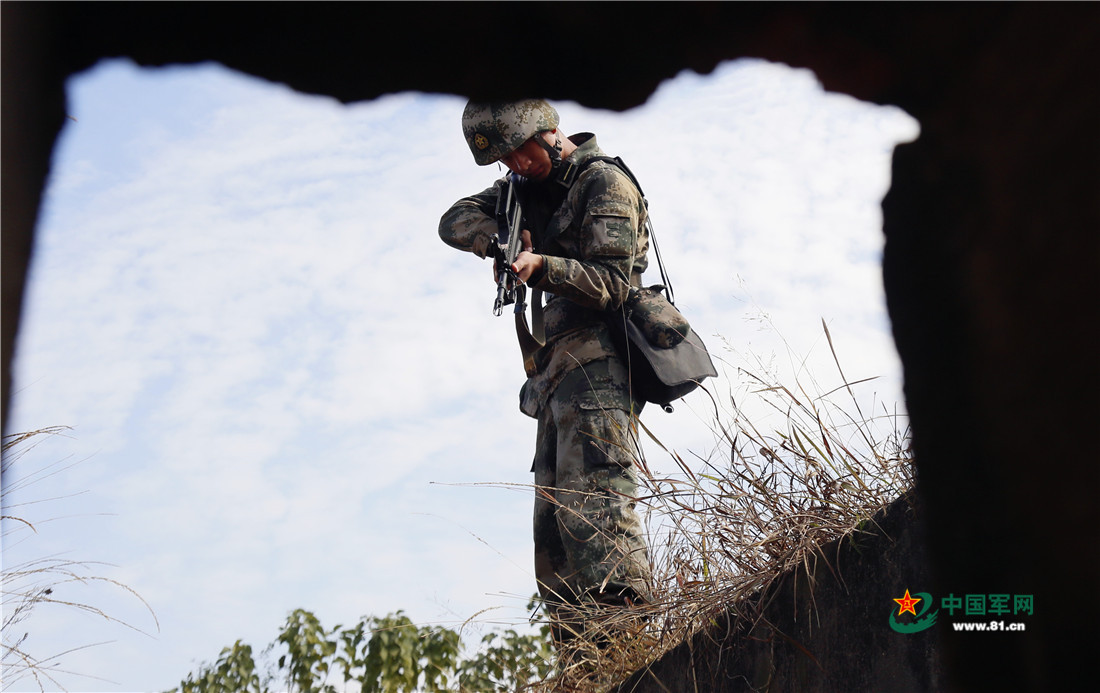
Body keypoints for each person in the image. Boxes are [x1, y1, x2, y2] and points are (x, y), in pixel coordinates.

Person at [438, 100, 653, 646]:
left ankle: (629, 648)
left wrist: (544, 267)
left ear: (548, 131)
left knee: (599, 510)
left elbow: (613, 283)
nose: (514, 163)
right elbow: (453, 219)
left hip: (599, 369)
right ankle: (584, 659)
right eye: (502, 157)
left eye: (519, 148)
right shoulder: (518, 190)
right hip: (554, 377)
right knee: (556, 529)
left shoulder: (602, 182)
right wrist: (501, 242)